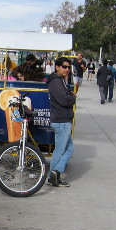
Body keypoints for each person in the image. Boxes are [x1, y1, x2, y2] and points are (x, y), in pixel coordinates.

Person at [47, 56, 77, 187]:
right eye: (64, 67)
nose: (67, 69)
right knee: (61, 150)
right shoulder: (56, 82)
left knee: (69, 148)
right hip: (61, 120)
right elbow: (64, 100)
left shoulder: (59, 80)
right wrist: (72, 97)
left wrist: (69, 96)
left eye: (69, 67)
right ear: (57, 67)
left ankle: (54, 174)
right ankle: (55, 173)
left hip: (62, 119)